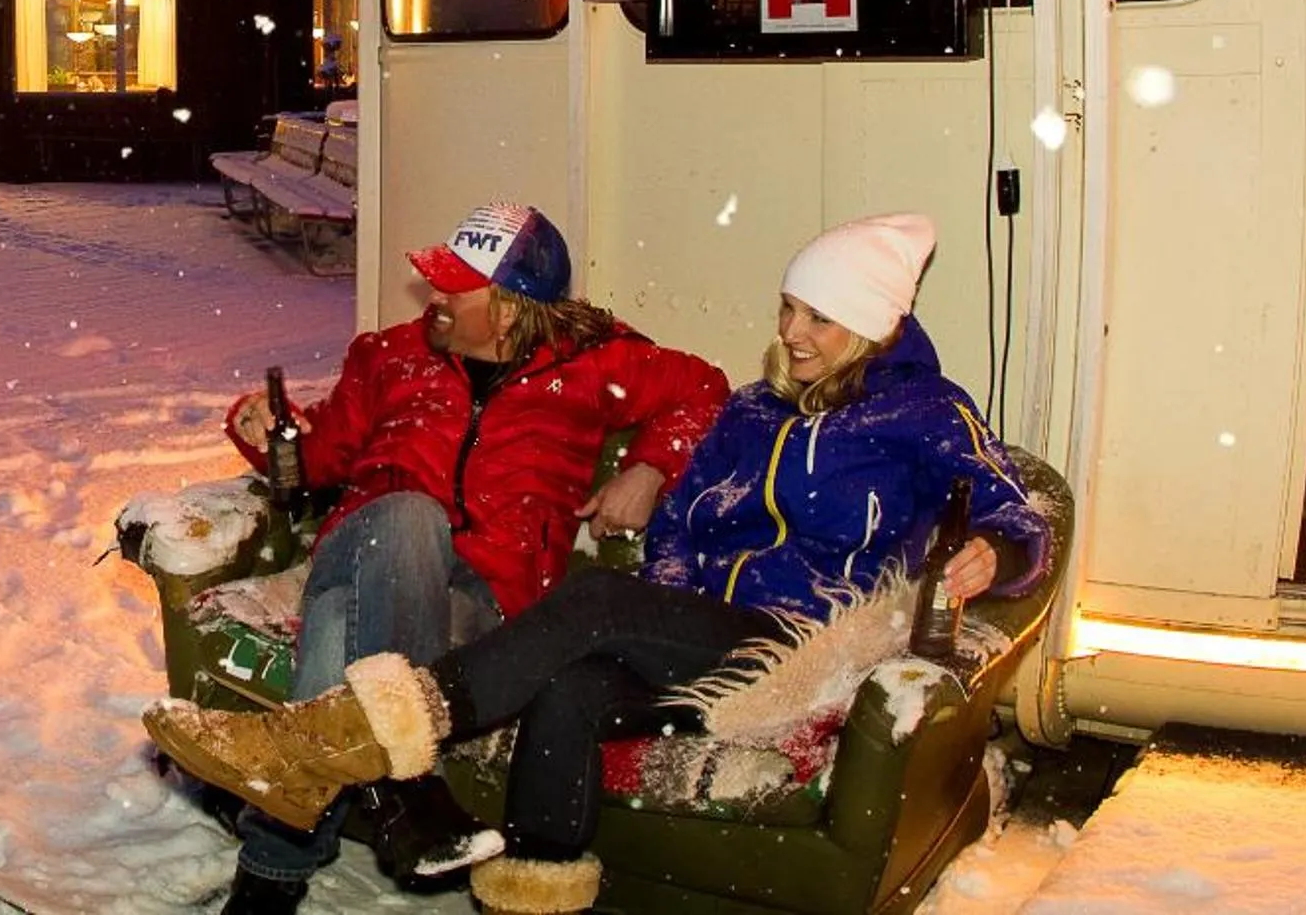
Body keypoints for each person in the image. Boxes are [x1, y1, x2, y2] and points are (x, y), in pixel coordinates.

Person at [147, 214, 1052, 915]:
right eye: (787, 307)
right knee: (528, 639)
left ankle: (329, 755)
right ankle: (474, 844)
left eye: (818, 315)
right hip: (658, 620)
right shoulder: (751, 411)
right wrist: (663, 592)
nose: (791, 329)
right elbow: (679, 535)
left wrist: (996, 551)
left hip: (801, 636)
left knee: (584, 632)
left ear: (871, 325)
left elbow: (1021, 505)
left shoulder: (920, 412)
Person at [207, 200, 727, 914]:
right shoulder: (388, 355)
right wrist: (266, 430)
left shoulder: (592, 363)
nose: (436, 296)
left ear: (511, 307)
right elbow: (320, 456)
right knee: (407, 517)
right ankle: (406, 784)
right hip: (365, 550)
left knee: (336, 635)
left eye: (456, 285)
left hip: (484, 600)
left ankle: (270, 873)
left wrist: (648, 468)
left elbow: (702, 389)